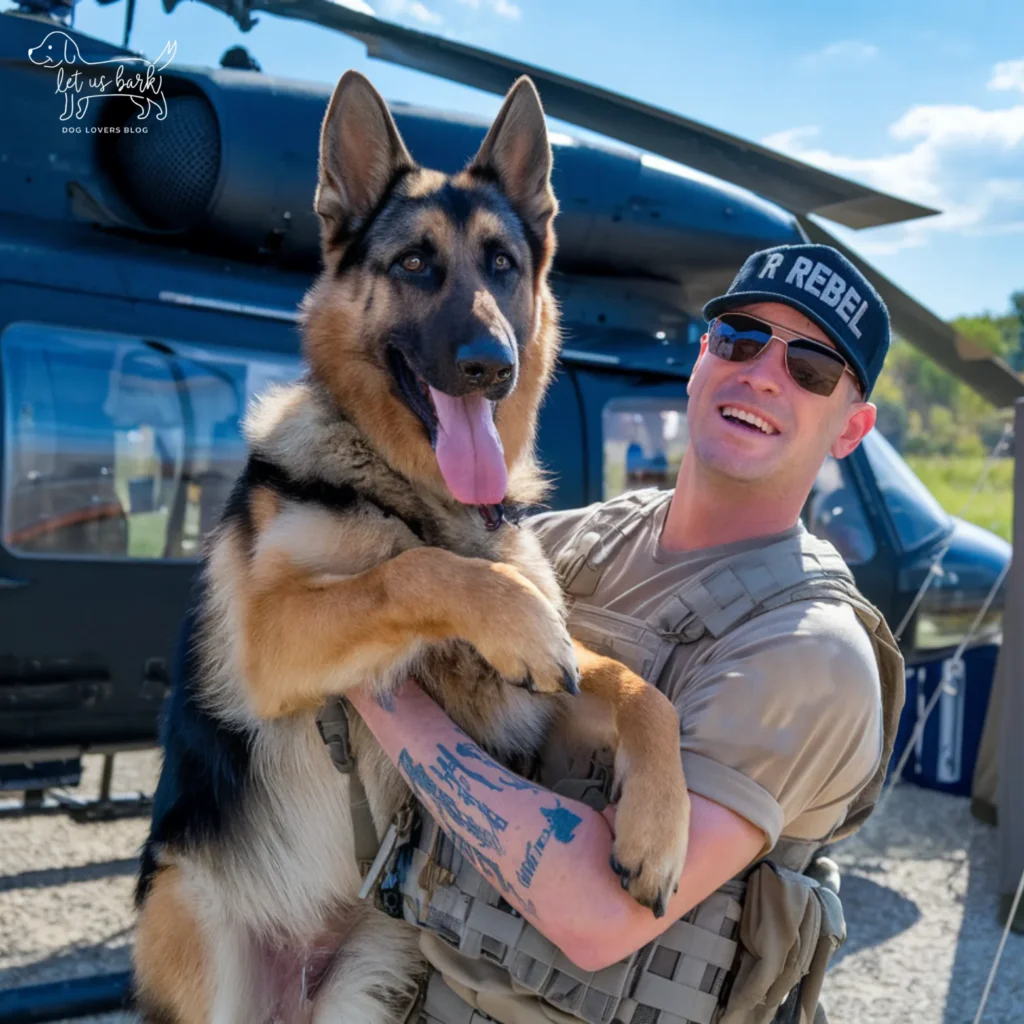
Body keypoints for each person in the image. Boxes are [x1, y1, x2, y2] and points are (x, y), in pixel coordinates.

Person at [346, 242, 906, 1024]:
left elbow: (596, 915)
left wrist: (375, 680)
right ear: (701, 361)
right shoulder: (586, 541)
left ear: (852, 429)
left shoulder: (812, 649)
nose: (763, 374)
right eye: (741, 340)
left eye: (811, 369)